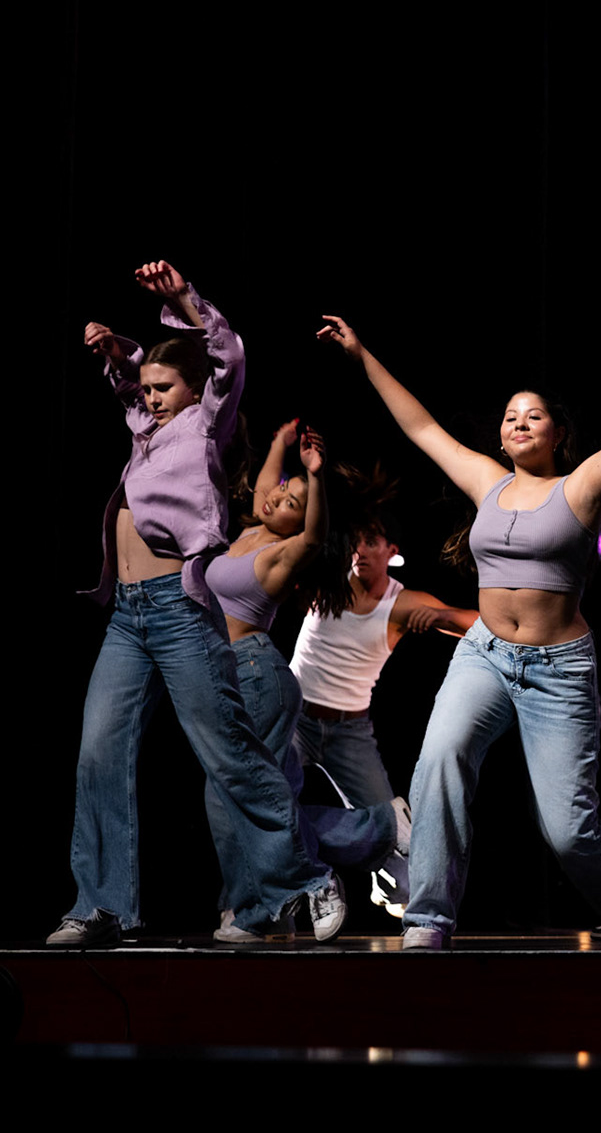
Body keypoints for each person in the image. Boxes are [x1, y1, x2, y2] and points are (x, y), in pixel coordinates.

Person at [317, 281, 601, 950]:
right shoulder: (489, 481)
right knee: (439, 763)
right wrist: (362, 355)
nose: (519, 423)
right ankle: (428, 917)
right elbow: (421, 427)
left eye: (534, 416)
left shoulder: (582, 488)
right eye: (511, 416)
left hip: (558, 669)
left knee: (567, 829)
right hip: (484, 654)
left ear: (558, 433)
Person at [53, 262, 340, 947]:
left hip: (178, 610)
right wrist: (113, 349)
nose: (151, 399)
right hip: (126, 617)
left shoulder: (206, 424)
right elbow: (128, 382)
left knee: (229, 754)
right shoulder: (145, 429)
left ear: (193, 391)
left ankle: (304, 879)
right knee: (97, 753)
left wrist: (183, 299)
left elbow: (229, 355)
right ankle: (101, 905)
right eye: (148, 389)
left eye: (164, 389)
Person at [202, 420, 375, 940]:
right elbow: (265, 488)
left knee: (239, 796)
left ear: (300, 519)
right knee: (240, 797)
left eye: (292, 502)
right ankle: (258, 906)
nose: (277, 499)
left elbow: (317, 533)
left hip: (257, 676)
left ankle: (296, 889)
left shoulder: (283, 551)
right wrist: (280, 443)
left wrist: (314, 477)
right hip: (224, 677)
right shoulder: (251, 531)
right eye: (281, 491)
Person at [288, 467, 477, 921]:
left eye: (372, 542)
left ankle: (388, 864)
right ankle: (259, 903)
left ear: (393, 552)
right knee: (266, 806)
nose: (359, 550)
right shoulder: (328, 579)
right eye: (356, 541)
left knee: (403, 866)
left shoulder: (401, 603)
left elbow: (480, 623)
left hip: (350, 731)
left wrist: (440, 617)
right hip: (295, 719)